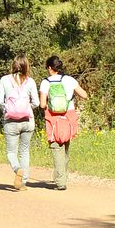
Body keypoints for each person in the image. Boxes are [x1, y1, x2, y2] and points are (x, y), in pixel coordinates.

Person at [39, 55, 87, 191]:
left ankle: (60, 182)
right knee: (65, 146)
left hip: (53, 118)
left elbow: (42, 104)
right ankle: (63, 176)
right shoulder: (70, 80)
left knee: (56, 147)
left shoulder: (45, 82)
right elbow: (84, 95)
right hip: (69, 116)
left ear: (49, 68)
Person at [0, 54, 39, 191]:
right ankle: (23, 182)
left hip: (10, 121)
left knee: (11, 152)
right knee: (24, 151)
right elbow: (36, 103)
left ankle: (17, 169)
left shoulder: (5, 80)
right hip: (28, 121)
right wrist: (27, 109)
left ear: (13, 66)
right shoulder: (30, 81)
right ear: (27, 66)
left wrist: (7, 110)